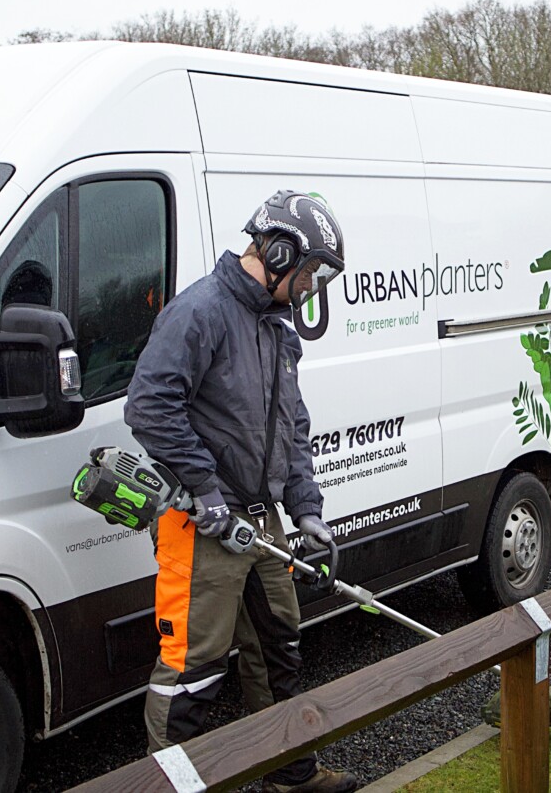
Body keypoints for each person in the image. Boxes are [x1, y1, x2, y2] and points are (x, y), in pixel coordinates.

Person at [123, 191, 354, 793]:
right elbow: (149, 407)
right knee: (192, 675)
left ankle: (291, 776)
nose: (309, 288)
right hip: (199, 527)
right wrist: (205, 487)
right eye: (308, 273)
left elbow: (291, 425)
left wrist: (306, 509)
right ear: (278, 253)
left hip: (262, 523)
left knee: (278, 652)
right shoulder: (200, 311)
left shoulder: (275, 329)